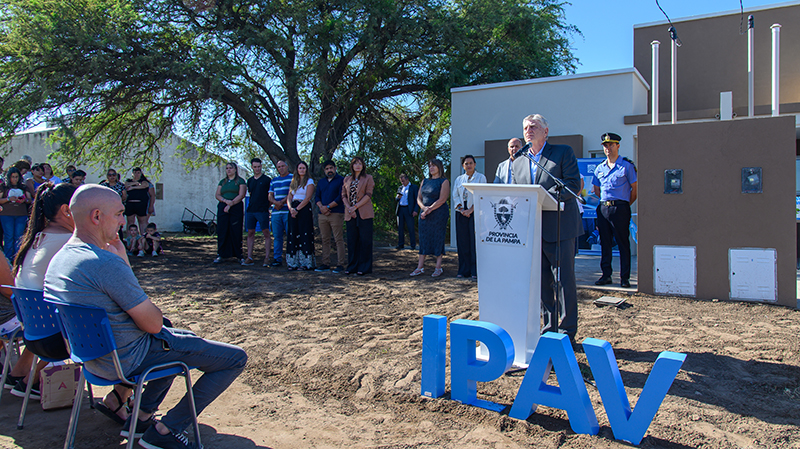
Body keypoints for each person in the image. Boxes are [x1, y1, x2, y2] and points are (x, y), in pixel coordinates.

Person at [44, 185, 247, 449]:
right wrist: (122, 264)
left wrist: (121, 263)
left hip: (92, 360)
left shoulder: (60, 260)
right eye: (118, 214)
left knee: (182, 338)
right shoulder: (102, 263)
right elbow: (153, 323)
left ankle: (141, 417)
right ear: (96, 217)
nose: (122, 221)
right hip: (129, 359)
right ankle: (166, 430)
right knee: (233, 358)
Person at [511, 114, 582, 343]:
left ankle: (567, 331)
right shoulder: (519, 161)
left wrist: (541, 197)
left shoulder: (563, 152)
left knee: (563, 281)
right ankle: (549, 329)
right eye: (525, 128)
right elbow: (517, 193)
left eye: (533, 126)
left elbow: (572, 185)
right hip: (533, 230)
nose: (528, 130)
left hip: (560, 228)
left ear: (546, 131)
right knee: (542, 283)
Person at [592, 132, 638, 288]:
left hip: (620, 208)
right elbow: (596, 189)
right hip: (604, 207)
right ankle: (606, 275)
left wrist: (624, 205)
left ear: (617, 146)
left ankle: (625, 278)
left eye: (611, 145)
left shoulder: (626, 166)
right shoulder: (600, 168)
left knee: (623, 243)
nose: (608, 148)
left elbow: (634, 190)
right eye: (605, 146)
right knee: (605, 243)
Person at [410, 159, 450, 278]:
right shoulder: (425, 181)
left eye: (433, 166)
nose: (431, 168)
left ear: (439, 167)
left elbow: (442, 199)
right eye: (429, 166)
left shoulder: (444, 181)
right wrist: (423, 208)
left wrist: (429, 209)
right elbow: (418, 198)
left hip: (438, 215)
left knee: (438, 238)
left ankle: (438, 267)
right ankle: (420, 267)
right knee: (423, 239)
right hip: (424, 215)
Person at [452, 155, 486, 279]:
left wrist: (471, 210)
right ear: (463, 166)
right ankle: (463, 270)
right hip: (461, 213)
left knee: (474, 242)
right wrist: (461, 209)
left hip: (475, 212)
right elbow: (455, 195)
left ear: (475, 164)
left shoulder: (481, 177)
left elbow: (482, 194)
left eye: (471, 163)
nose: (469, 165)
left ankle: (474, 271)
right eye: (466, 163)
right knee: (463, 242)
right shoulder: (459, 179)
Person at [342, 157, 374, 275]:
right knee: (352, 241)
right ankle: (352, 266)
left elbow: (368, 195)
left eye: (360, 163)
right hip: (350, 214)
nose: (358, 166)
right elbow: (343, 195)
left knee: (365, 241)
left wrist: (355, 207)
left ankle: (364, 267)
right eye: (355, 163)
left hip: (364, 213)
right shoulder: (347, 179)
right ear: (352, 166)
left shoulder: (368, 178)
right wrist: (349, 207)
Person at [314, 160, 345, 272]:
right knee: (325, 239)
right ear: (324, 170)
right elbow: (317, 197)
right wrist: (322, 207)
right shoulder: (321, 182)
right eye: (327, 169)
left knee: (338, 239)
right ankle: (325, 263)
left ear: (335, 168)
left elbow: (340, 197)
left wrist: (328, 207)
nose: (329, 170)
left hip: (336, 213)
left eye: (331, 168)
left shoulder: (341, 180)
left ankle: (340, 264)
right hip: (322, 214)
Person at [214, 162, 247, 264]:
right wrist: (225, 201)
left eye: (231, 168)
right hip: (223, 206)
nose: (228, 170)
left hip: (235, 207)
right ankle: (221, 254)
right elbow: (217, 194)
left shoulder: (240, 181)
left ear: (235, 170)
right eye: (227, 168)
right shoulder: (222, 182)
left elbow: (241, 195)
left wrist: (231, 204)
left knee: (235, 230)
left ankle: (238, 255)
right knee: (222, 230)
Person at [285, 161, 316, 270]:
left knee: (304, 233)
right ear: (297, 170)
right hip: (293, 208)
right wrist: (291, 208)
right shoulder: (294, 182)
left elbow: (308, 197)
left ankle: (305, 263)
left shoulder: (310, 181)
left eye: (303, 168)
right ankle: (293, 262)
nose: (302, 170)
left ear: (306, 170)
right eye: (300, 168)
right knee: (293, 233)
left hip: (303, 209)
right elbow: (289, 196)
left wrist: (297, 209)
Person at [242, 158, 272, 267]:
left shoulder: (267, 180)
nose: (257, 168)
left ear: (261, 166)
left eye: (259, 166)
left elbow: (270, 195)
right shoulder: (249, 181)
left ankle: (267, 258)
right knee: (250, 233)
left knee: (266, 233)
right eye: (255, 167)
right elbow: (251, 193)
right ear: (252, 167)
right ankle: (249, 257)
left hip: (262, 210)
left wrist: (266, 207)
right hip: (251, 210)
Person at [0, 167, 32, 261]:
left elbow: (29, 199)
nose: (14, 179)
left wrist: (23, 200)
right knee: (9, 237)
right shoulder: (4, 187)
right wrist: (9, 199)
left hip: (21, 215)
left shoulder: (23, 187)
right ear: (9, 177)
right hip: (6, 215)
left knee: (18, 237)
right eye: (13, 177)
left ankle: (17, 259)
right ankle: (8, 259)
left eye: (16, 177)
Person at [268, 160, 292, 267]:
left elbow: (291, 193)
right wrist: (275, 202)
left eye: (283, 166)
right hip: (276, 212)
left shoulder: (292, 178)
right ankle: (277, 258)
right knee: (277, 237)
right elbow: (270, 195)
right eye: (279, 167)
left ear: (287, 166)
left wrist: (282, 202)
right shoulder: (274, 180)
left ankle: (290, 258)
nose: (281, 168)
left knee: (290, 236)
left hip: (287, 211)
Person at [395, 173, 418, 250]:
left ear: (407, 179)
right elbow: (396, 198)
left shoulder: (413, 187)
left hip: (409, 209)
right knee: (400, 227)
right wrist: (398, 197)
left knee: (410, 227)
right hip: (401, 209)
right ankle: (401, 244)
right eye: (401, 181)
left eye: (403, 181)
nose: (402, 183)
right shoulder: (400, 188)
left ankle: (413, 245)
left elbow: (417, 200)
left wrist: (415, 210)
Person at [124, 167, 151, 232]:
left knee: (142, 221)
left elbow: (145, 185)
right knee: (130, 222)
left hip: (141, 204)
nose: (136, 174)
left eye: (138, 173)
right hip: (130, 203)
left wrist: (133, 187)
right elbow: (125, 185)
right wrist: (134, 183)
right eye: (135, 173)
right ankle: (129, 239)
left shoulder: (144, 181)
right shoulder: (129, 181)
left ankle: (143, 238)